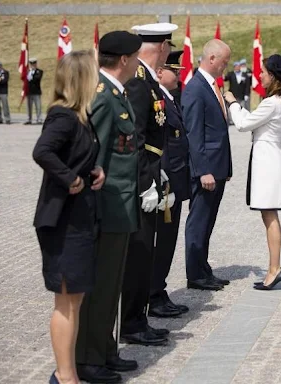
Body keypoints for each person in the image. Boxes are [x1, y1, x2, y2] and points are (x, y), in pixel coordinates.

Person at [32, 50, 105, 384]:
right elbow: (42, 151)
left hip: (78, 219)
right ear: (82, 79)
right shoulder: (62, 116)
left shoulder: (80, 116)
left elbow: (76, 154)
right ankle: (64, 377)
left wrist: (93, 170)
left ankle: (68, 374)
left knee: (74, 300)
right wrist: (70, 179)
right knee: (66, 303)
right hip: (61, 222)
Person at [74, 31, 142, 384]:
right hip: (107, 206)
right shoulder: (103, 96)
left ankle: (104, 348)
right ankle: (87, 358)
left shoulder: (117, 93)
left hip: (121, 205)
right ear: (126, 60)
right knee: (99, 286)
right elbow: (94, 159)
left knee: (111, 284)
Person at [120, 22, 178, 347]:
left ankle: (137, 319)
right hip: (140, 183)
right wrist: (146, 183)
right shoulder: (141, 82)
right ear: (163, 47)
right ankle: (132, 323)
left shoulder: (147, 79)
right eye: (169, 48)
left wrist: (160, 175)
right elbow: (137, 138)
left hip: (152, 174)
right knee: (139, 255)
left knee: (145, 254)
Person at [224, 54, 281, 290]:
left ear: (272, 76)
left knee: (270, 215)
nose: (259, 75)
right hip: (267, 160)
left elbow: (243, 124)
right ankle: (274, 268)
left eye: (262, 71)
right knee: (267, 215)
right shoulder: (275, 100)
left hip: (269, 164)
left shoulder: (271, 102)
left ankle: (275, 269)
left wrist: (232, 102)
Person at [182, 39, 232, 291]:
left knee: (208, 221)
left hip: (217, 169)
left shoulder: (210, 86)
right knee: (198, 222)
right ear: (212, 58)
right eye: (224, 61)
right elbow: (194, 135)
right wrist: (203, 170)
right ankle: (195, 273)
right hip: (207, 172)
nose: (226, 66)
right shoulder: (195, 88)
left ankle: (203, 269)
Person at [148, 49, 191, 318]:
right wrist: (161, 183)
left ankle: (158, 290)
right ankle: (153, 294)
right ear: (161, 72)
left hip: (175, 181)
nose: (179, 75)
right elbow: (158, 146)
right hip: (166, 184)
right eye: (174, 71)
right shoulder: (158, 102)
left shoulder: (171, 99)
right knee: (161, 242)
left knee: (168, 242)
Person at [25, 58, 44, 125]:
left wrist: (32, 76)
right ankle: (29, 119)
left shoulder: (39, 71)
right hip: (29, 92)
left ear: (36, 64)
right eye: (31, 64)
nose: (33, 65)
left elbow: (38, 78)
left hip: (36, 91)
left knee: (38, 106)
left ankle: (39, 119)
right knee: (29, 107)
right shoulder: (27, 71)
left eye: (34, 64)